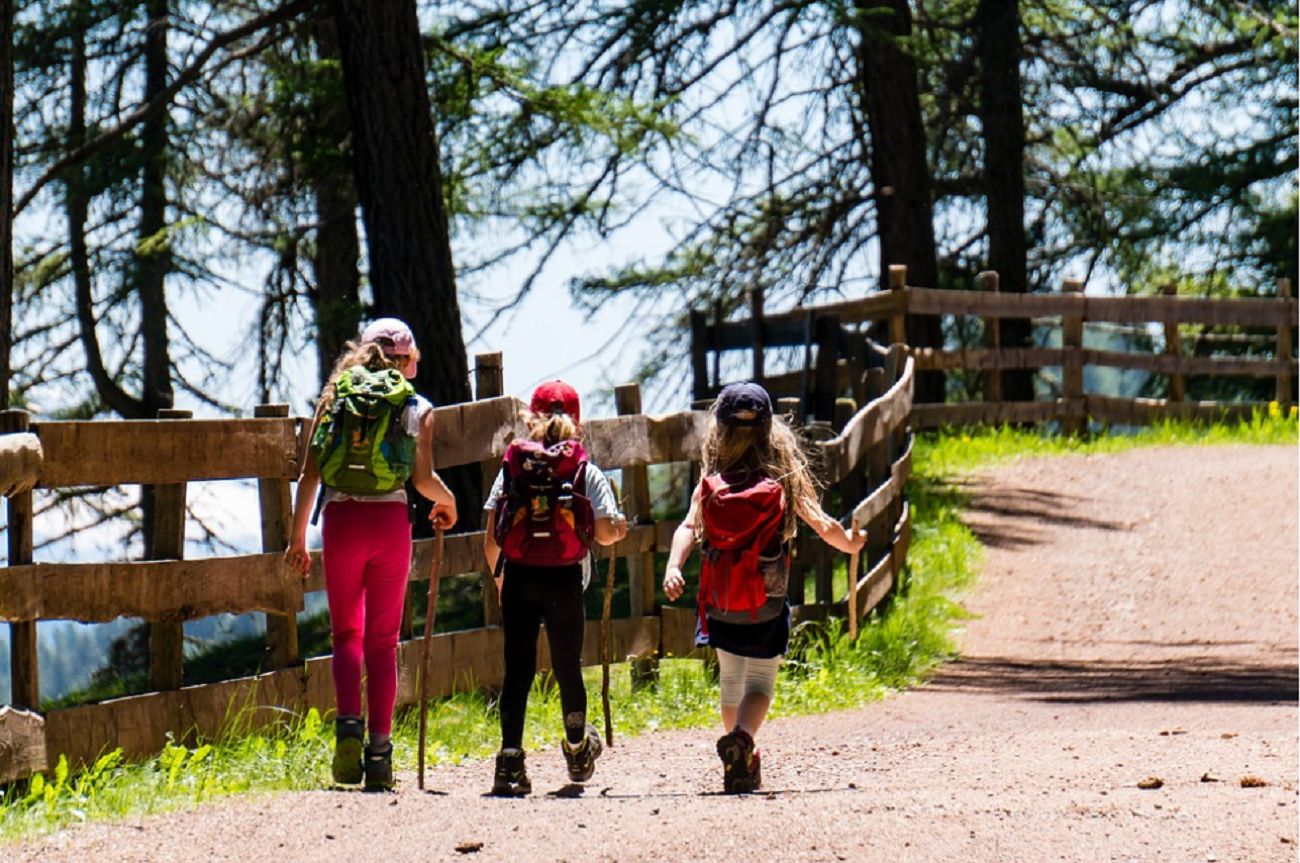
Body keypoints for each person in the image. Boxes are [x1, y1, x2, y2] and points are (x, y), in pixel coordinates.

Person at [662, 381, 864, 793]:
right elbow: (822, 523)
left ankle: (741, 757)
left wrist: (673, 566)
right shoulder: (782, 478)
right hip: (767, 603)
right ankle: (743, 741)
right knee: (760, 686)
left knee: (731, 680)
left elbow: (687, 527)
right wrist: (850, 543)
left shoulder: (712, 480)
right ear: (770, 430)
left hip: (720, 603)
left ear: (718, 430)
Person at [285, 318, 458, 791]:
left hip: (341, 522)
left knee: (346, 636)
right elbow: (422, 480)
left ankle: (347, 729)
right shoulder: (416, 406)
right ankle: (379, 754)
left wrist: (298, 538)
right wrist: (448, 501)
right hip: (389, 525)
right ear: (407, 361)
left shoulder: (334, 399)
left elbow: (309, 476)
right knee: (383, 642)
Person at [483, 380, 627, 795]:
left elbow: (493, 534)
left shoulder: (513, 467)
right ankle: (578, 749)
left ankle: (509, 761)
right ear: (577, 421)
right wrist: (618, 528)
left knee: (518, 671)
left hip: (520, 576)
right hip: (564, 578)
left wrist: (499, 577)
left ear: (531, 418)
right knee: (567, 668)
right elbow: (602, 532)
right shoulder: (584, 469)